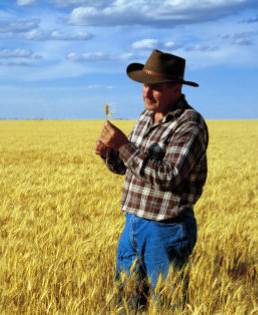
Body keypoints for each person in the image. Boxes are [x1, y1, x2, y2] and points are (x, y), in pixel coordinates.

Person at [95, 50, 208, 310]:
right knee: (126, 302)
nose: (146, 93)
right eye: (145, 85)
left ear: (176, 88)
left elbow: (169, 177)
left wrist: (123, 145)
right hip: (132, 224)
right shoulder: (145, 118)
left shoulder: (189, 124)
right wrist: (109, 154)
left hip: (166, 230)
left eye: (155, 88)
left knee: (166, 305)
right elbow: (129, 167)